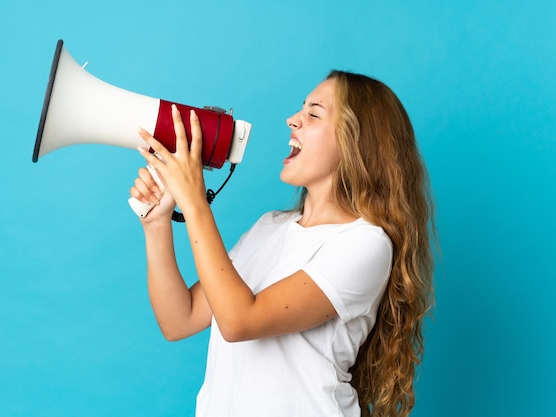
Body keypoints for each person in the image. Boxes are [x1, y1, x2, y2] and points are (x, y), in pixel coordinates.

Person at [129, 70, 435, 417]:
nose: (293, 120)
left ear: (357, 143)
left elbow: (238, 321)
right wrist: (156, 225)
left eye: (314, 114)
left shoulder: (366, 244)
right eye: (300, 110)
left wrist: (195, 201)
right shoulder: (269, 227)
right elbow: (178, 320)